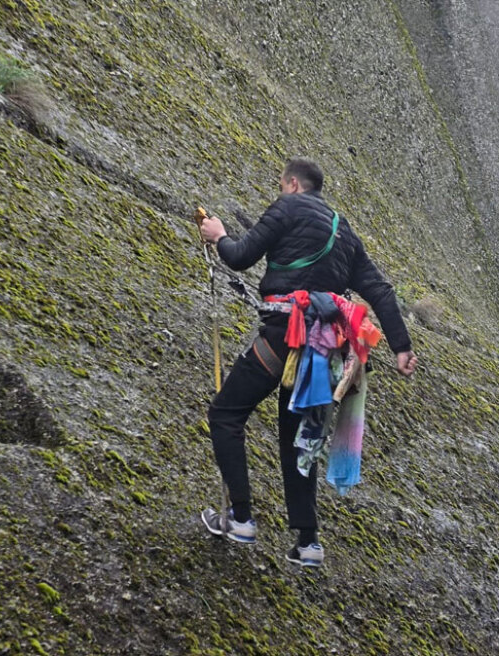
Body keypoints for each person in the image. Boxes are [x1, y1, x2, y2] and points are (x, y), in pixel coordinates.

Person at [197, 157, 418, 567]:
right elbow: (381, 292)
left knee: (225, 413)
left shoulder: (287, 207)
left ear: (293, 185)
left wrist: (219, 235)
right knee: (297, 440)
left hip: (286, 336)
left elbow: (241, 256)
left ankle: (240, 519)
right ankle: (308, 543)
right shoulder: (343, 230)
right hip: (323, 353)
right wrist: (401, 348)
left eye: (283, 185)